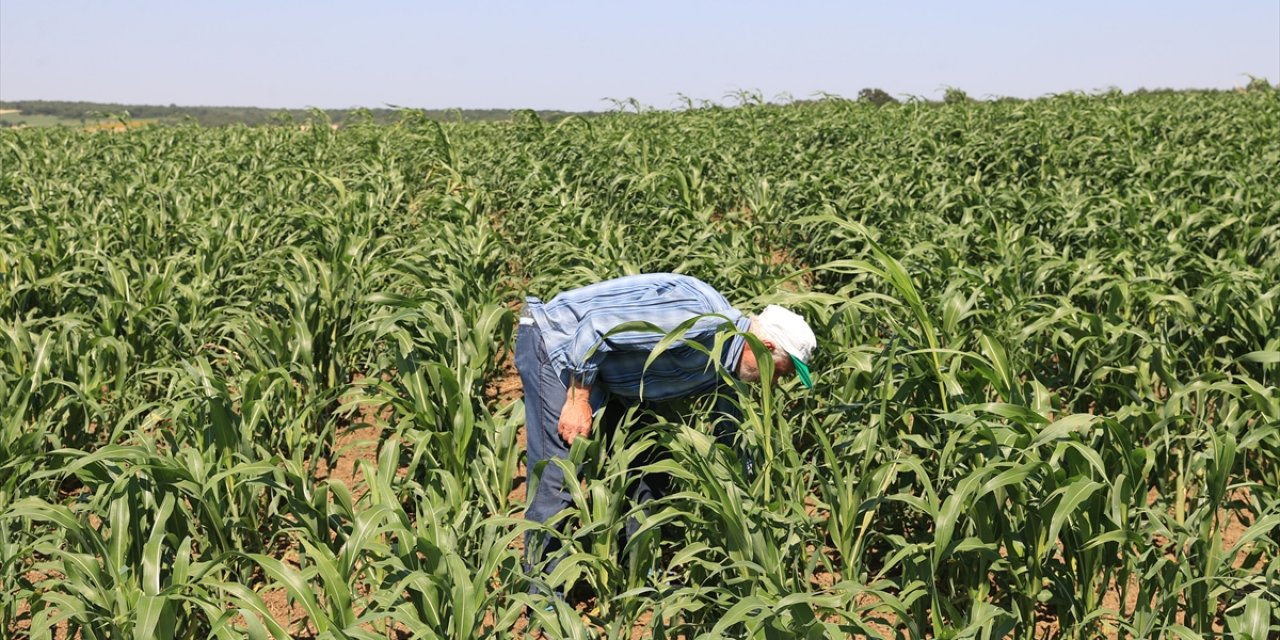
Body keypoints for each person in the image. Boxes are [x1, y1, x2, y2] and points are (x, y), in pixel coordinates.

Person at [514, 273, 817, 585]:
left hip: (614, 373)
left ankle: (641, 576)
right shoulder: (701, 323)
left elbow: (730, 429)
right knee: (559, 474)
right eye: (779, 372)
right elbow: (596, 327)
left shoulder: (726, 362)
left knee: (650, 462)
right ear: (764, 347)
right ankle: (543, 594)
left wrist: (747, 487)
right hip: (559, 344)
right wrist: (578, 399)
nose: (773, 382)